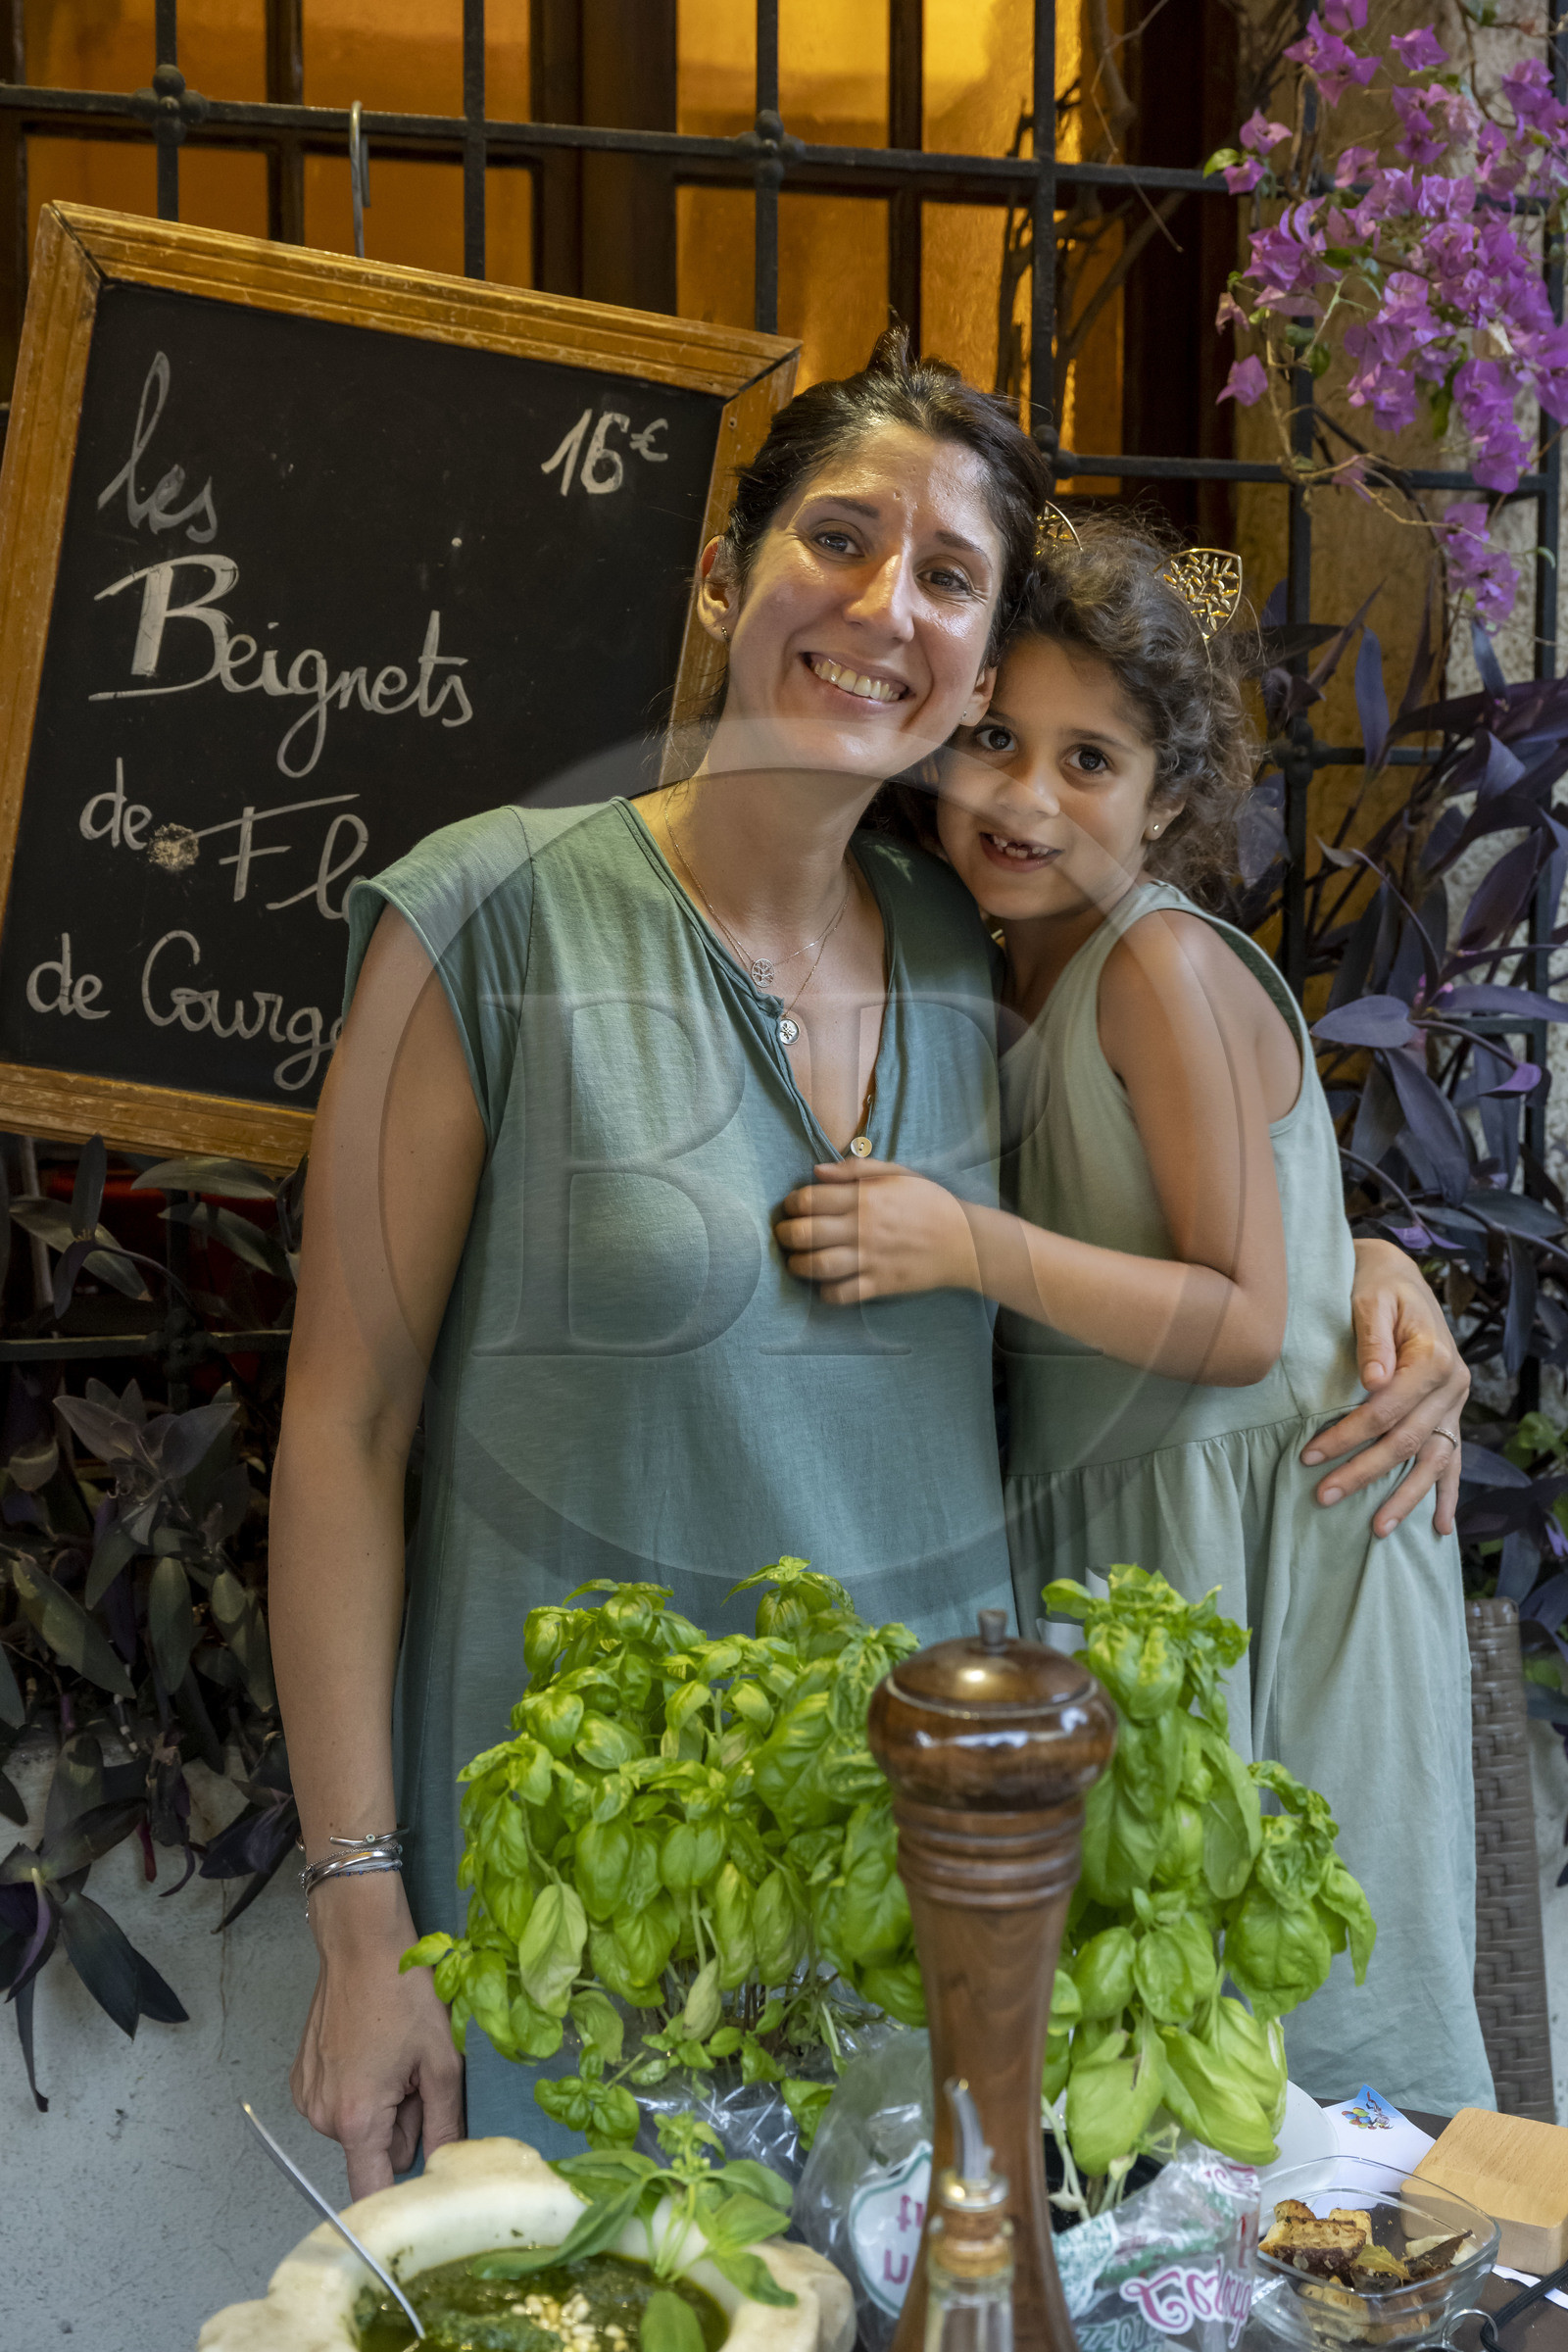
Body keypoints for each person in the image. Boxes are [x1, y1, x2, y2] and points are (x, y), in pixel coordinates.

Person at [270, 350, 1473, 2198]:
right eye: (837, 538)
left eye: (946, 576)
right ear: (723, 576)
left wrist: (1377, 1276)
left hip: (933, 1926)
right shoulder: (489, 914)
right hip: (574, 1924)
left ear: (977, 661)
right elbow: (343, 1427)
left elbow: (1184, 1210)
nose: (880, 605)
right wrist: (362, 1923)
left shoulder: (969, 939)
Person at [774, 514, 1493, 2115]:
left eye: (1089, 761)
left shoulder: (1158, 965)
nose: (1026, 797)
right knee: (1149, 2047)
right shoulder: (998, 959)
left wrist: (965, 1243)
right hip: (1136, 1524)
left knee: (1315, 2032)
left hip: (1275, 1537)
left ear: (1169, 802)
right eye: (996, 743)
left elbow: (1243, 1320)